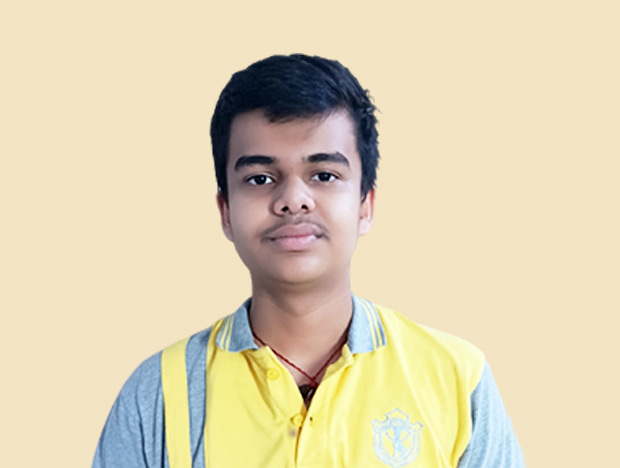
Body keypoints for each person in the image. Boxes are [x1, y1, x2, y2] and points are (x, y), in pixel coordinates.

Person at [92, 54, 525, 468]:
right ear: (225, 211)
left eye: (324, 175)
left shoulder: (456, 378)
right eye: (260, 178)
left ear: (365, 205)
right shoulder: (157, 394)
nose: (293, 199)